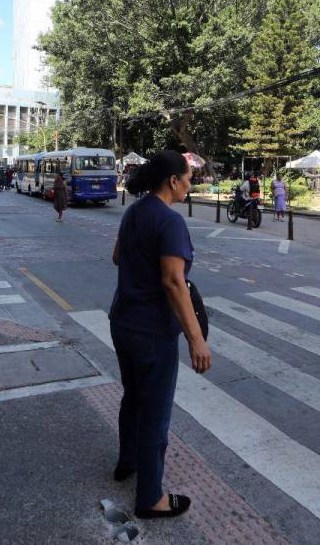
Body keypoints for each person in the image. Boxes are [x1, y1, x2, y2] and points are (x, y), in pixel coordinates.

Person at [109, 150, 211, 519]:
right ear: (172, 181)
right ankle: (151, 497)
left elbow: (118, 257)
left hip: (122, 321)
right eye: (188, 179)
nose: (190, 184)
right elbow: (173, 281)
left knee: (133, 397)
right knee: (155, 412)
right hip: (153, 330)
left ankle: (127, 461)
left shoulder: (134, 211)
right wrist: (196, 338)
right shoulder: (170, 221)